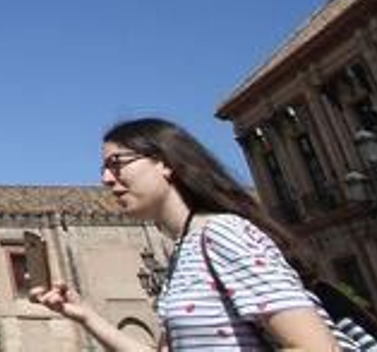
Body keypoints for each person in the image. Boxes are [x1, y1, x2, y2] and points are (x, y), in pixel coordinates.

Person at [31, 117, 340, 350]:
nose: (107, 179)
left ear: (165, 164)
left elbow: (317, 347)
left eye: (117, 164)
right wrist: (86, 316)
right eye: (104, 169)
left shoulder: (223, 234)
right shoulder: (184, 252)